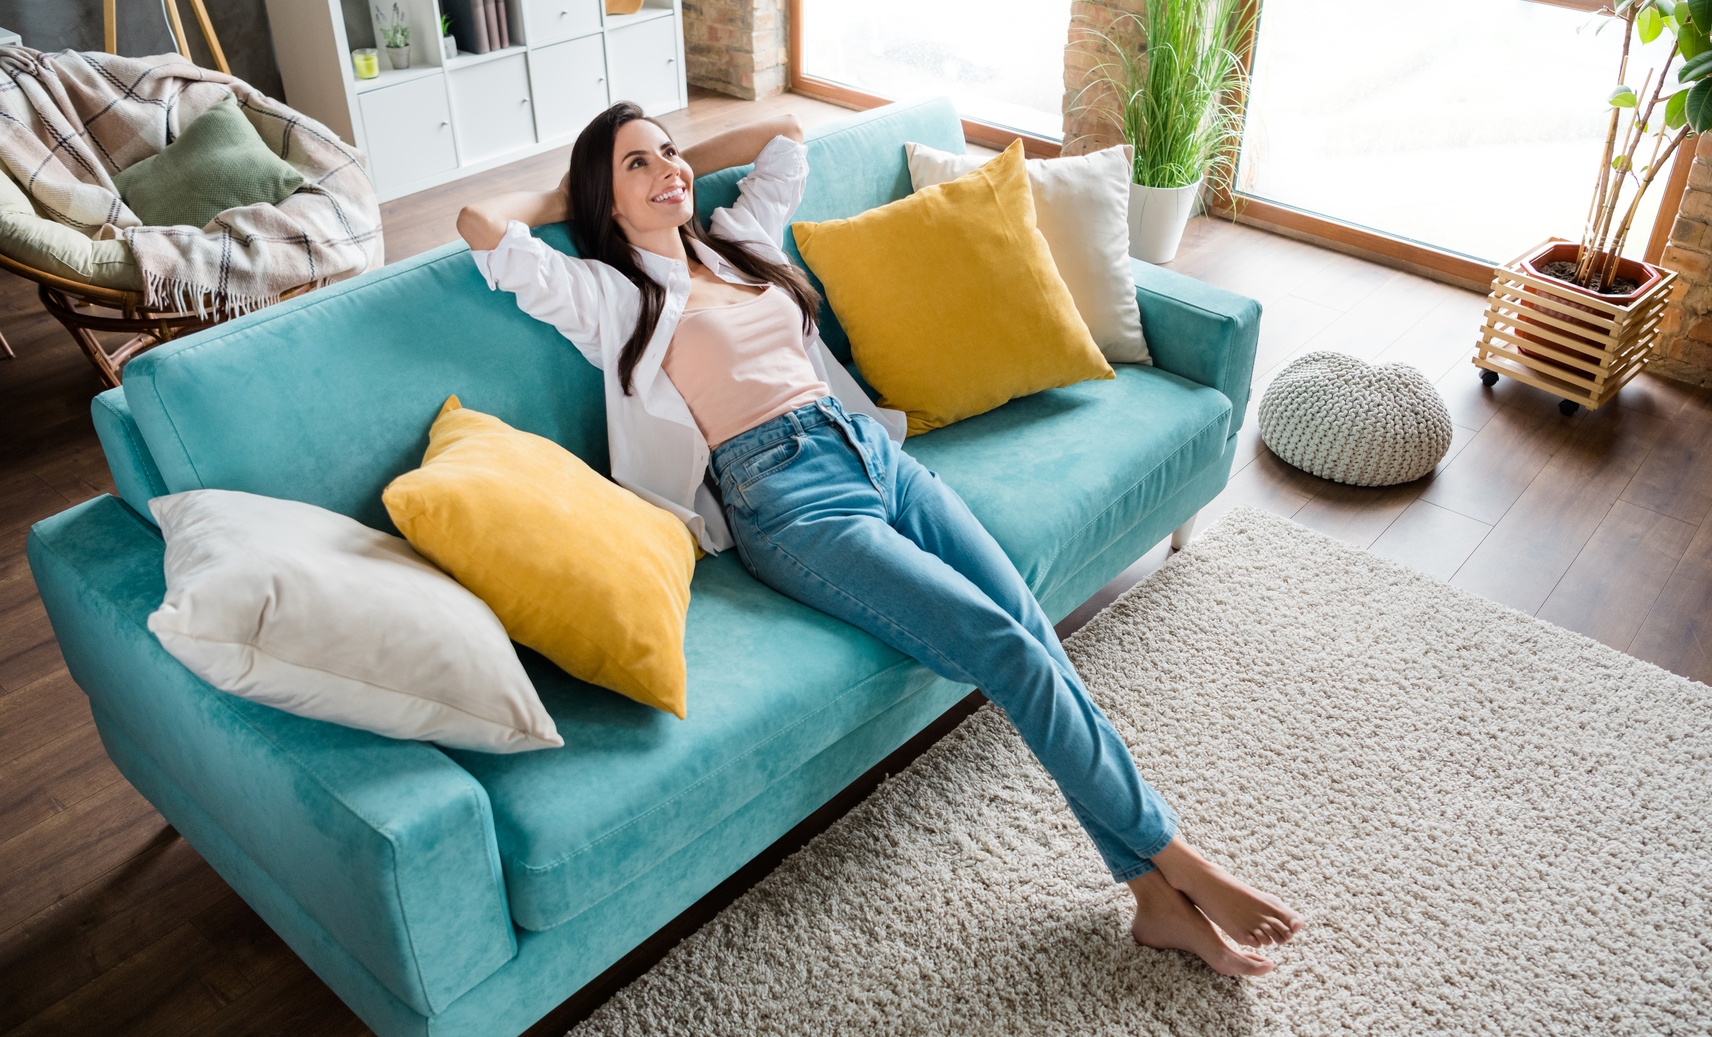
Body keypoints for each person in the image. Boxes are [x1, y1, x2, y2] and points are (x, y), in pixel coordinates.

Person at [456, 102, 1303, 976]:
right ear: (602, 198)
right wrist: (575, 185)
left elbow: (783, 133)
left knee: (1029, 627)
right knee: (1002, 648)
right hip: (788, 501)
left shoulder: (733, 237)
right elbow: (482, 226)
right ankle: (1177, 859)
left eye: (670, 154)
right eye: (637, 166)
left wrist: (670, 162)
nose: (669, 170)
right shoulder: (606, 293)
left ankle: (1155, 898)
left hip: (871, 453)